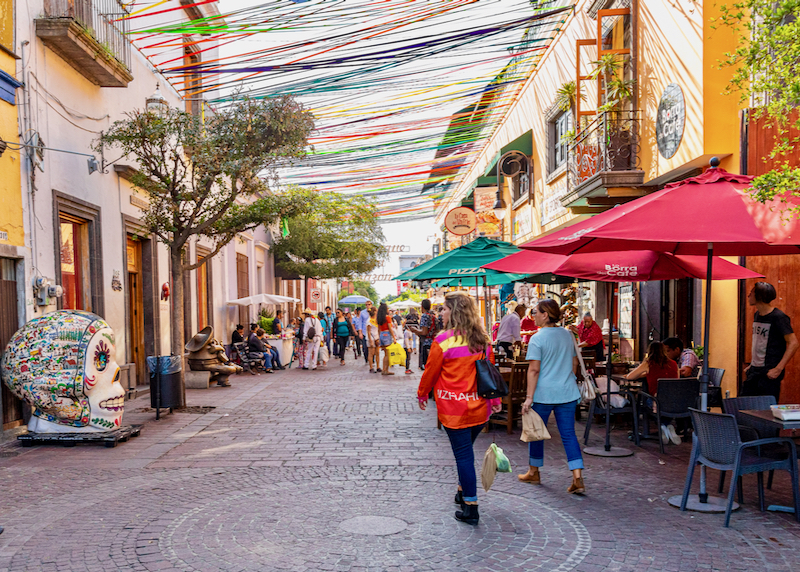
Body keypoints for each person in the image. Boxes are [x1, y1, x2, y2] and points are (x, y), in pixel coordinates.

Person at [417, 291, 502, 525]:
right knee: (465, 450)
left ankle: (471, 506)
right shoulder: (482, 339)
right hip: (479, 408)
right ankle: (461, 491)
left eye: (443, 309)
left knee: (463, 456)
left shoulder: (443, 340)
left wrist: (422, 393)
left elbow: (431, 371)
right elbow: (490, 374)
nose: (440, 313)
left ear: (453, 311)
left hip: (454, 409)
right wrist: (495, 401)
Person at [518, 299, 585, 495]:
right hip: (567, 392)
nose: (533, 315)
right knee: (569, 434)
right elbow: (574, 364)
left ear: (545, 314)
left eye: (535, 312)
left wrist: (529, 397)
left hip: (543, 394)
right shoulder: (568, 335)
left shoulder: (537, 338)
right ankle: (577, 476)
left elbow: (534, 370)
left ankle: (534, 471)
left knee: (536, 432)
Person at [742, 281, 799, 400]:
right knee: (743, 405)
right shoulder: (757, 314)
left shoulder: (778, 317)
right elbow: (759, 342)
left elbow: (794, 343)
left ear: (759, 297)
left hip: (768, 373)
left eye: (751, 293)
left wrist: (778, 368)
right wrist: (753, 364)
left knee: (765, 411)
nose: (749, 296)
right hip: (754, 371)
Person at [626, 341, 680, 445]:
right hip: (675, 402)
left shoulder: (649, 363)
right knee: (664, 404)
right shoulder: (674, 364)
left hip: (657, 401)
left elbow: (630, 377)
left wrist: (645, 373)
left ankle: (663, 427)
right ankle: (667, 426)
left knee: (644, 401)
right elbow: (676, 380)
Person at [408, 299, 437, 370]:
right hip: (433, 342)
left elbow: (424, 332)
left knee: (427, 365)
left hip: (426, 343)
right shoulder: (433, 316)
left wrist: (415, 330)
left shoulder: (425, 316)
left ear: (422, 306)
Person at [376, 302, 397, 376]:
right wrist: (394, 338)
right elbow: (390, 328)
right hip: (387, 334)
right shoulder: (387, 317)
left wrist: (378, 338)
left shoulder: (379, 318)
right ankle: (386, 370)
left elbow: (378, 329)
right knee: (387, 354)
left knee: (385, 354)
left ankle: (384, 369)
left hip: (381, 334)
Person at [366, 306, 380, 373]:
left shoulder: (377, 320)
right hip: (371, 338)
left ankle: (378, 367)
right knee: (371, 353)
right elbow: (368, 331)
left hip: (376, 337)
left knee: (377, 353)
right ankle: (371, 367)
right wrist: (371, 341)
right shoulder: (369, 321)